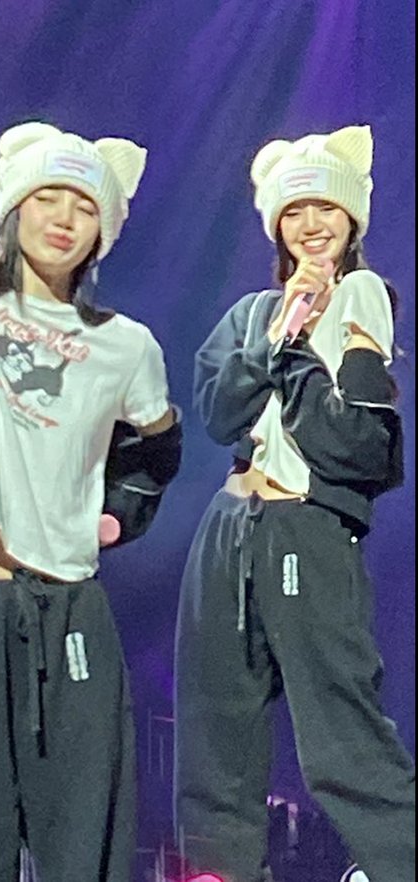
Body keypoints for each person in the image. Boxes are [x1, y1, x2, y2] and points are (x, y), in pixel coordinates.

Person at [0, 121, 182, 881]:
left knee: (83, 838)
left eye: (84, 207)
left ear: (102, 232)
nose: (64, 219)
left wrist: (117, 516)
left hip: (70, 607)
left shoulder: (127, 346)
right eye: (48, 198)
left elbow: (157, 453)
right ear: (13, 208)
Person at [174, 124, 415, 882]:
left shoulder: (364, 299)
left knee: (341, 736)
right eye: (294, 211)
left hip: (306, 527)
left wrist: (296, 350)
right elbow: (218, 413)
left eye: (326, 209)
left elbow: (356, 445)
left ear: (352, 219)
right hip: (227, 528)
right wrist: (275, 334)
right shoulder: (252, 312)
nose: (311, 225)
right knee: (215, 731)